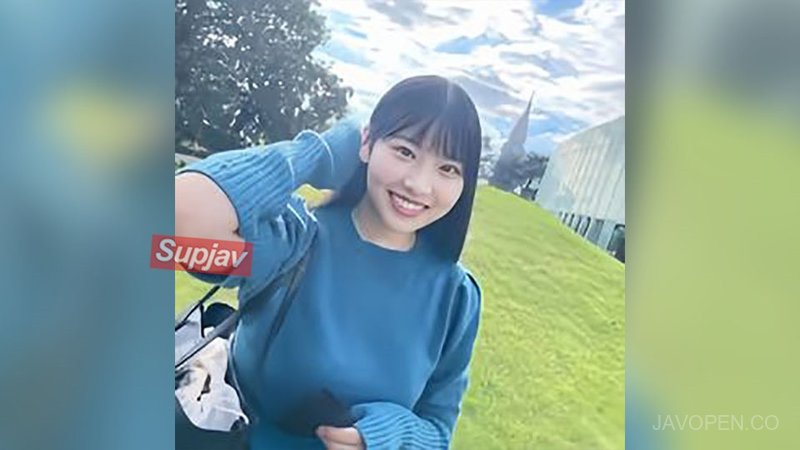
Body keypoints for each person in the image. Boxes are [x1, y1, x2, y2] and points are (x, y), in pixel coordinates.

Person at [176, 75, 483, 450]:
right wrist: (319, 153)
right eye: (405, 151)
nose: (419, 185)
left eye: (448, 168)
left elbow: (438, 429)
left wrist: (389, 433)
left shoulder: (456, 294)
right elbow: (176, 226)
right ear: (367, 143)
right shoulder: (292, 241)